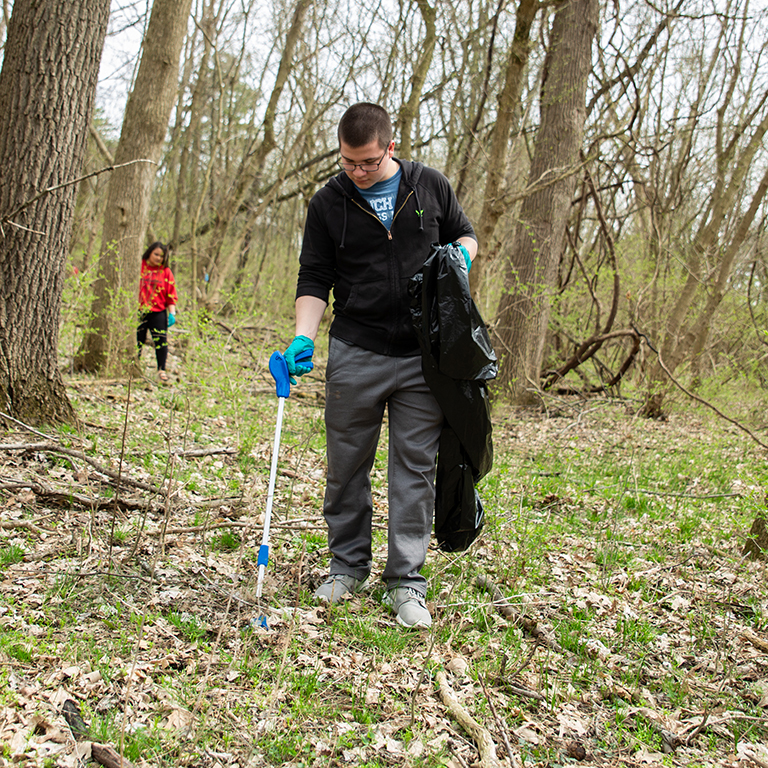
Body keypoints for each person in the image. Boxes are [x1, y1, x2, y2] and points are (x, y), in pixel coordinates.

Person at [283, 102, 477, 629]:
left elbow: (465, 233)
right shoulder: (329, 203)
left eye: (367, 162)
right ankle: (347, 568)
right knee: (345, 468)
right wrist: (304, 336)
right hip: (355, 352)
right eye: (348, 162)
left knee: (413, 469)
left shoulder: (429, 185)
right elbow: (313, 276)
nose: (357, 172)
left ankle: (406, 583)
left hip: (423, 358)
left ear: (390, 148)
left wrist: (459, 258)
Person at [137, 241, 178, 382]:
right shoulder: (140, 265)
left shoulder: (165, 272)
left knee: (161, 341)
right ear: (149, 253)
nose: (158, 258)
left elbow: (171, 295)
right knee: (138, 339)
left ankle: (161, 369)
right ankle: (133, 364)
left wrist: (172, 313)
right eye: (156, 254)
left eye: (161, 256)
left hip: (158, 311)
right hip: (139, 310)